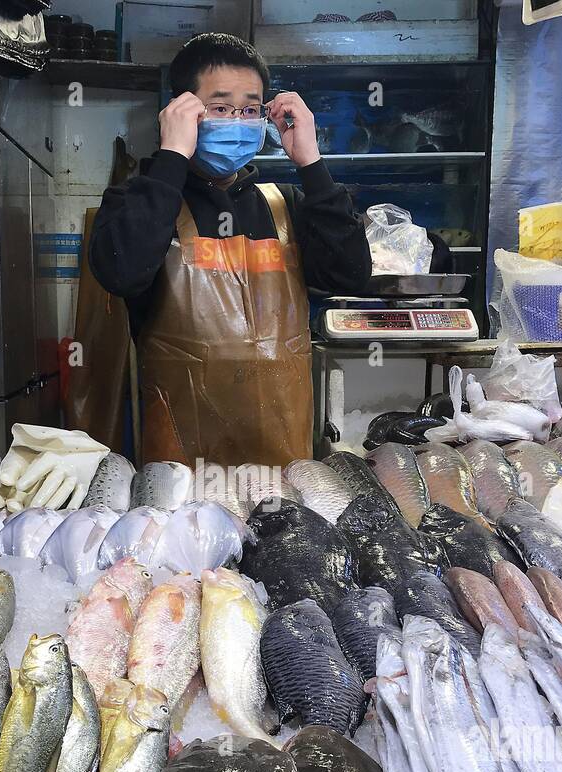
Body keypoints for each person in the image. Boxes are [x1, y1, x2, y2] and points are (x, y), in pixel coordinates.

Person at [89, 32, 372, 468]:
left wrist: (312, 164)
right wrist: (171, 158)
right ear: (185, 111)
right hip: (178, 471)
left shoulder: (285, 206)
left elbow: (350, 276)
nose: (237, 121)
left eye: (250, 109)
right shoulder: (141, 200)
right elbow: (121, 272)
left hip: (285, 465)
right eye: (219, 108)